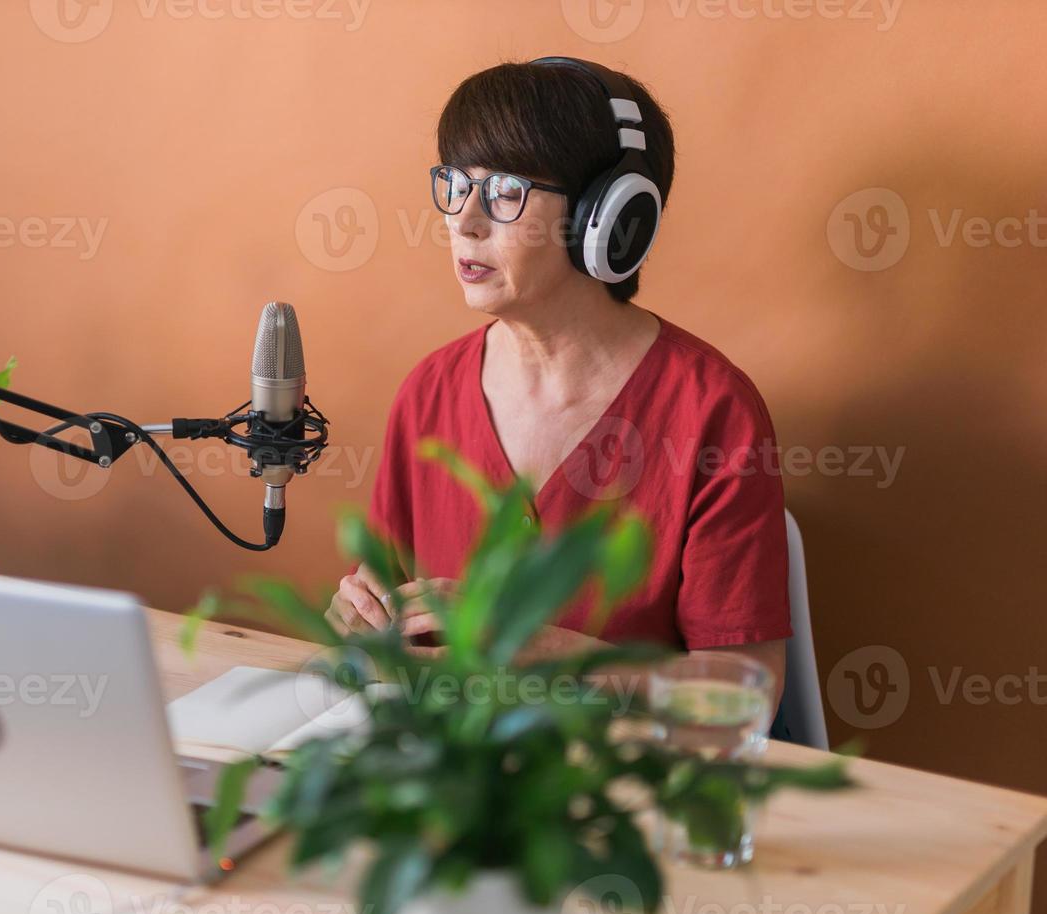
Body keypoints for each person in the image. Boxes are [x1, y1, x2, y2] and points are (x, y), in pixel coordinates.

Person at [326, 58, 790, 704]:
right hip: (448, 775)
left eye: (506, 191)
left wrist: (544, 652)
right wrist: (361, 621)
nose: (465, 219)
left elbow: (748, 696)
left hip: (623, 785)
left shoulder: (713, 410)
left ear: (609, 218)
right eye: (456, 184)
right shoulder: (427, 393)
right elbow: (385, 620)